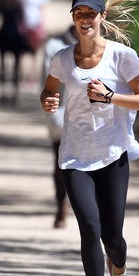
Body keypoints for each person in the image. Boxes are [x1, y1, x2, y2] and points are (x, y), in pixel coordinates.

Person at [40, 0, 139, 276]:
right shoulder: (61, 57)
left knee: (112, 237)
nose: (85, 20)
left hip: (113, 154)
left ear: (103, 17)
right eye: (79, 14)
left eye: (91, 14)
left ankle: (118, 269)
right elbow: (49, 90)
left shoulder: (121, 56)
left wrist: (110, 96)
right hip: (75, 157)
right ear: (73, 19)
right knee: (89, 228)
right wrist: (48, 100)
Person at [41, 25, 79, 228]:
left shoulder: (104, 48)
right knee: (61, 164)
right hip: (63, 117)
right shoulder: (55, 47)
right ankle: (61, 205)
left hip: (94, 121)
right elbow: (46, 86)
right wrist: (54, 117)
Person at [0, 0, 30, 104]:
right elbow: (23, 21)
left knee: (5, 66)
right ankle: (11, 94)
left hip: (5, 33)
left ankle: (7, 94)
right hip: (13, 34)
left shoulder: (4, 1)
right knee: (12, 66)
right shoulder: (17, 1)